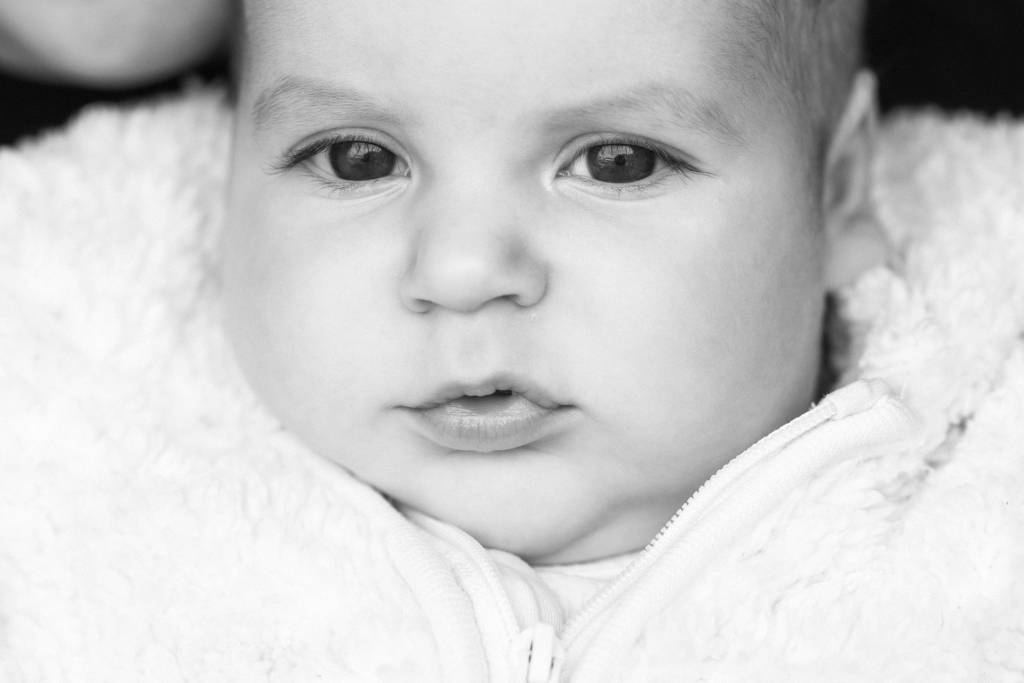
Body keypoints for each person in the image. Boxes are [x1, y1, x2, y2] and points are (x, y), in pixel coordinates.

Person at [2, 0, 1022, 680]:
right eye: (356, 159)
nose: (461, 270)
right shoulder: (68, 459)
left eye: (617, 162)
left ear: (836, 188)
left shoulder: (980, 510)